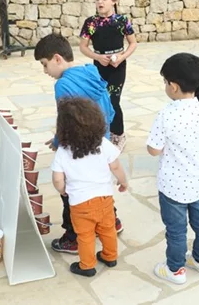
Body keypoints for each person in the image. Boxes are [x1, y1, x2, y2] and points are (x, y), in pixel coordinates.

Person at [33, 33, 121, 255]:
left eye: (44, 65)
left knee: (72, 192)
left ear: (57, 58)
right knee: (100, 184)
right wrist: (104, 135)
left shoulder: (62, 85)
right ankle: (112, 221)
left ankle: (73, 238)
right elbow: (109, 107)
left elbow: (66, 120)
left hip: (78, 148)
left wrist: (59, 141)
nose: (45, 71)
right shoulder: (91, 71)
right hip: (101, 140)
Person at [147, 53, 199, 285]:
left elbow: (154, 149)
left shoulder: (166, 114)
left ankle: (175, 269)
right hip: (198, 182)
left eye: (165, 82)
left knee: (176, 231)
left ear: (174, 86)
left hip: (173, 186)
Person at [51, 97, 128, 277]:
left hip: (80, 204)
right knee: (108, 229)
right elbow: (116, 166)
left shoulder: (63, 151)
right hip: (104, 199)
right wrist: (123, 181)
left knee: (85, 235)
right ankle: (110, 256)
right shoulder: (103, 143)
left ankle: (87, 266)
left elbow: (57, 178)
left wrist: (62, 190)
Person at [79, 0, 137, 150]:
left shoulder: (122, 21)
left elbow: (133, 43)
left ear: (114, 1)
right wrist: (97, 57)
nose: (100, 2)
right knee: (99, 100)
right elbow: (83, 47)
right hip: (99, 66)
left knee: (113, 100)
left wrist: (122, 57)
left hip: (118, 66)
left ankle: (118, 134)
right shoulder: (91, 23)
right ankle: (102, 133)